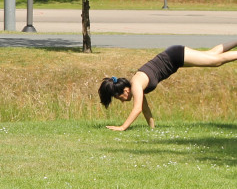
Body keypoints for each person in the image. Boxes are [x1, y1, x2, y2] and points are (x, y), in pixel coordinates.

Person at [99, 41, 237, 131]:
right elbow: (145, 109)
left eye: (120, 98)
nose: (123, 101)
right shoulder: (137, 85)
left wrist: (122, 127)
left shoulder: (136, 85)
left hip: (175, 56)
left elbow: (137, 109)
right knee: (211, 54)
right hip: (175, 56)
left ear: (125, 90)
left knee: (216, 61)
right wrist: (152, 129)